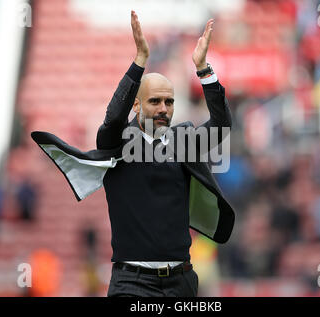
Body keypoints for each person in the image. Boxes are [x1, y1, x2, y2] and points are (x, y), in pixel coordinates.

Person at [31, 10, 235, 297]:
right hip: (132, 283)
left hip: (182, 281)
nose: (164, 108)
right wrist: (139, 61)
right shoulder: (117, 142)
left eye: (169, 101)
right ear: (137, 107)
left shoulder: (183, 140)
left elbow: (222, 126)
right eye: (155, 101)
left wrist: (203, 69)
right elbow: (113, 118)